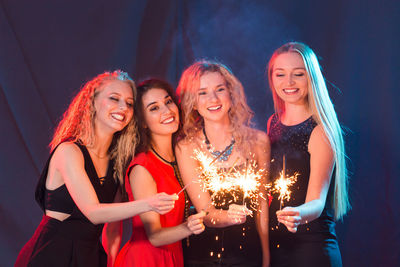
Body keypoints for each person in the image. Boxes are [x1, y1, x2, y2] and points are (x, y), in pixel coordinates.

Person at [15, 71, 178, 267]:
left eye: (129, 103)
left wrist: (110, 261)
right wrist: (149, 203)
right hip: (51, 254)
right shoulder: (69, 151)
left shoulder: (117, 161)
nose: (122, 107)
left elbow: (112, 230)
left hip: (91, 256)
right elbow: (93, 212)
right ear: (91, 102)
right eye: (114, 99)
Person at [175, 60, 270, 267]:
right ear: (192, 101)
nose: (213, 99)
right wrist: (229, 216)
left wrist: (266, 257)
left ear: (231, 93)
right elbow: (205, 211)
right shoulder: (186, 148)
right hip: (203, 257)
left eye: (220, 89)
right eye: (202, 93)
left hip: (248, 255)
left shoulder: (258, 141)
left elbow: (262, 205)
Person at [266, 42, 350, 266]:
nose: (289, 82)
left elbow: (316, 201)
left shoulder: (321, 131)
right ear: (272, 78)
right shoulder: (273, 123)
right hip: (277, 246)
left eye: (298, 74)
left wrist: (297, 213)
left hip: (311, 249)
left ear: (311, 77)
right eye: (280, 74)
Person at [114, 78, 205, 267]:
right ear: (143, 122)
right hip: (147, 259)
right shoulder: (142, 167)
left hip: (174, 256)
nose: (166, 111)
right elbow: (154, 236)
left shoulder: (182, 156)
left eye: (168, 101)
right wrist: (188, 227)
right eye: (154, 108)